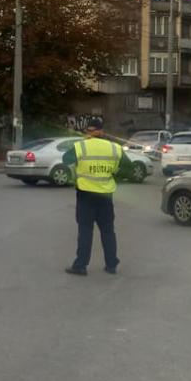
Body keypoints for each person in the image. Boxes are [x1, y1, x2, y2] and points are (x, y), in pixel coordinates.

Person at [62, 118, 132, 276]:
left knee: (85, 230)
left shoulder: (81, 146)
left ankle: (80, 265)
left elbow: (65, 159)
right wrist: (114, 175)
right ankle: (111, 264)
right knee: (108, 231)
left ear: (88, 131)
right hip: (106, 195)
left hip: (86, 195)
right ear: (102, 131)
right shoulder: (115, 148)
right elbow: (129, 167)